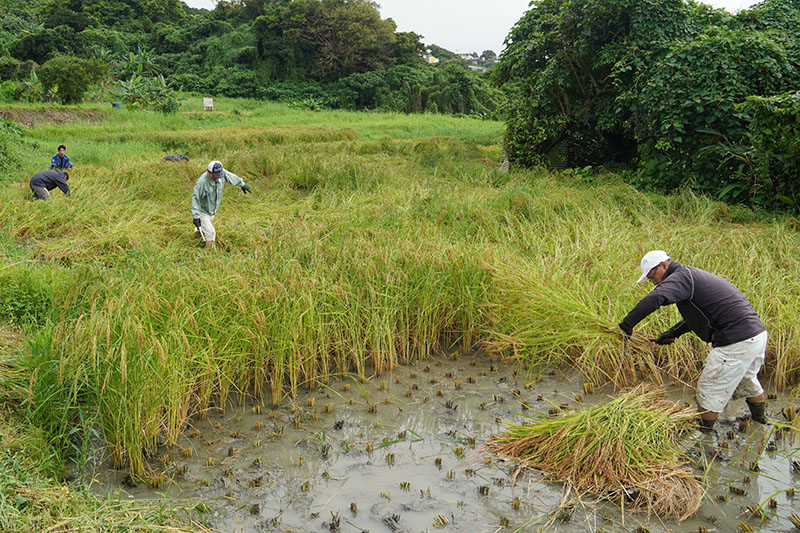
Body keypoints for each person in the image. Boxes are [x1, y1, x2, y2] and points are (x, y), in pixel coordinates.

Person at [618, 250, 767, 432]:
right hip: (756, 336)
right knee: (747, 380)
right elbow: (699, 315)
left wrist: (628, 323)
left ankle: (705, 444)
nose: (654, 282)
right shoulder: (691, 276)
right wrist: (672, 333)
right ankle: (761, 425)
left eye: (653, 277)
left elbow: (657, 297)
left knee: (708, 392)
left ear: (664, 265)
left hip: (736, 340)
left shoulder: (682, 277)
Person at [191, 160, 251, 249]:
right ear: (208, 172)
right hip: (202, 212)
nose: (217, 179)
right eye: (214, 176)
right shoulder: (201, 183)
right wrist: (196, 217)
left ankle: (197, 231)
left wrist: (242, 184)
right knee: (211, 233)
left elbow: (231, 177)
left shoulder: (221, 174)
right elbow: (195, 199)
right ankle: (207, 255)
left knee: (205, 228)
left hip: (212, 211)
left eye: (219, 176)